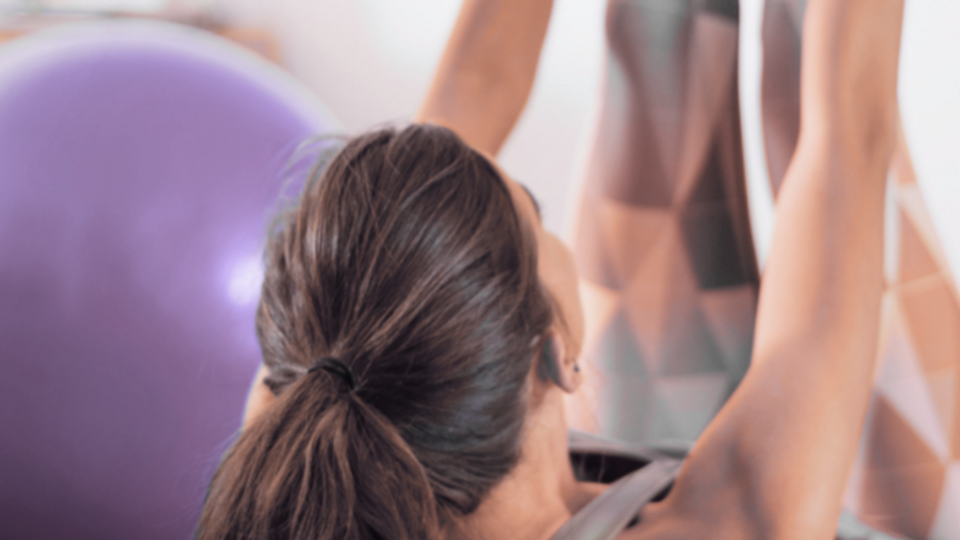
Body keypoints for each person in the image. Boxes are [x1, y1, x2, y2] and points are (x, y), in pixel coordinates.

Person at [197, 0, 906, 538]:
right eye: (535, 210)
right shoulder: (727, 521)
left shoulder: (305, 404)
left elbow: (472, 93)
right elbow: (851, 130)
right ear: (559, 358)